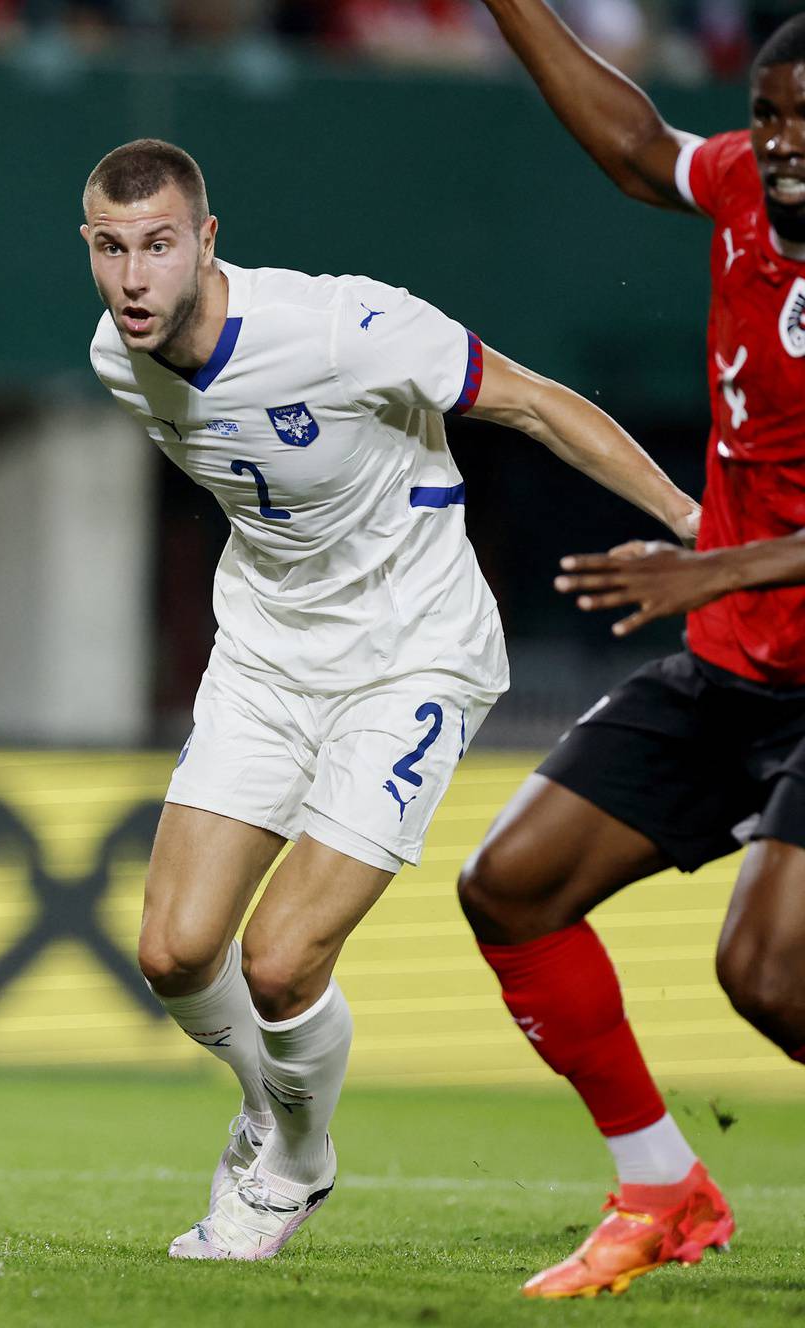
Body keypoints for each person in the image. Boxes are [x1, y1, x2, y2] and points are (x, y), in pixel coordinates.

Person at [82, 138, 699, 1260]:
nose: (134, 279)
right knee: (173, 952)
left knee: (278, 961)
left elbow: (539, 405)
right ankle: (280, 1114)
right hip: (266, 661)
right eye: (111, 249)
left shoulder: (344, 328)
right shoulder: (118, 361)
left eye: (159, 246)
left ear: (207, 243)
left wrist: (697, 528)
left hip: (413, 658)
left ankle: (289, 1164)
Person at [457, 3, 805, 1299]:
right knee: (511, 886)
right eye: (768, 116)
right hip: (736, 661)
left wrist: (713, 562)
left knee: (765, 972)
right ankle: (665, 1187)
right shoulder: (739, 197)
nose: (778, 144)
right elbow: (632, 144)